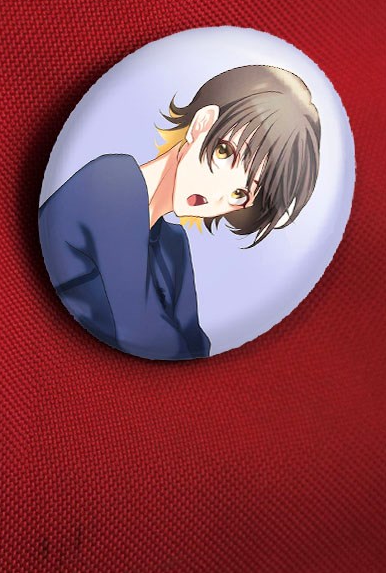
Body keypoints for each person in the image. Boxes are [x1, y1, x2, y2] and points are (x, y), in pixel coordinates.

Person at [38, 65, 321, 360]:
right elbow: (142, 330)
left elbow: (195, 348)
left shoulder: (173, 245)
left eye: (240, 193)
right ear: (202, 123)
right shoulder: (110, 184)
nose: (215, 193)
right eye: (224, 153)